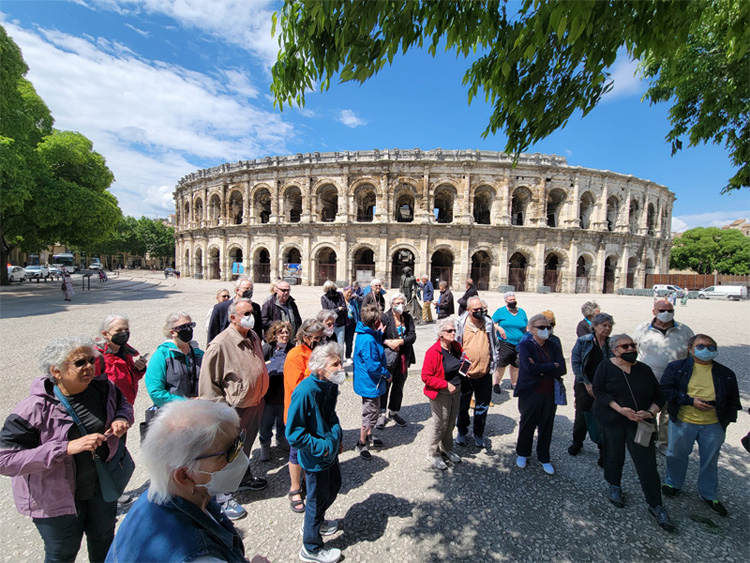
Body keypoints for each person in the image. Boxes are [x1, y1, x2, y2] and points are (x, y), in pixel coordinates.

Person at [0, 337, 134, 562]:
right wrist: (66, 448)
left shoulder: (104, 387)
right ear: (57, 371)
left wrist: (122, 417)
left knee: (105, 543)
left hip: (101, 491)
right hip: (55, 500)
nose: (89, 367)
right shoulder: (33, 408)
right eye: (80, 363)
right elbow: (5, 460)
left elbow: (124, 406)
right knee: (61, 554)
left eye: (91, 360)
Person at [105, 400, 248, 562]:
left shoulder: (152, 497)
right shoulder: (200, 558)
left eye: (240, 440)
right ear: (184, 476)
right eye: (231, 450)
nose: (241, 454)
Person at [592, 334, 673, 532]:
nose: (630, 349)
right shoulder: (605, 367)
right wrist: (620, 409)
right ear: (615, 350)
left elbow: (659, 396)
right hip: (613, 421)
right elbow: (599, 391)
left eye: (632, 345)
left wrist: (649, 412)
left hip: (640, 423)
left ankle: (656, 505)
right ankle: (614, 486)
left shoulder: (643, 370)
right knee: (613, 454)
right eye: (624, 346)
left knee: (647, 463)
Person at [200, 298, 270, 520]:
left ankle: (243, 478)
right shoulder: (220, 345)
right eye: (247, 313)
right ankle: (222, 497)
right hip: (235, 410)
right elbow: (209, 388)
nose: (252, 316)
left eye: (252, 312)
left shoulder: (253, 335)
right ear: (233, 318)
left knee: (245, 448)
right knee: (228, 453)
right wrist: (223, 417)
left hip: (256, 404)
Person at [661, 334, 741, 517]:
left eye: (711, 347)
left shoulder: (726, 374)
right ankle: (673, 483)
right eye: (701, 346)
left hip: (713, 425)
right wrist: (689, 401)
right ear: (691, 349)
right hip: (683, 421)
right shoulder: (677, 368)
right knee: (676, 455)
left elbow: (733, 401)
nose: (706, 350)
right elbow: (665, 389)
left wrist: (725, 422)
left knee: (710, 460)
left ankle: (709, 494)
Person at [286, 343, 346, 563]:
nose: (341, 367)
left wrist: (337, 438)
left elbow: (331, 415)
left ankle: (315, 521)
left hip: (330, 452)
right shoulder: (305, 391)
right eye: (335, 364)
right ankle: (311, 548)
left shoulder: (329, 384)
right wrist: (323, 447)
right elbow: (293, 434)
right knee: (316, 499)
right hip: (316, 458)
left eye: (340, 362)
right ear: (320, 367)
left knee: (333, 487)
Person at [632, 298, 694, 453]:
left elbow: (691, 356)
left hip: (674, 382)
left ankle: (664, 443)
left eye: (670, 310)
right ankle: (647, 440)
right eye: (662, 310)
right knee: (647, 412)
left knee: (668, 414)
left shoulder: (685, 330)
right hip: (648, 381)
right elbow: (634, 351)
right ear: (654, 312)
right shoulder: (642, 329)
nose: (666, 313)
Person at [514, 314, 566, 474]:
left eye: (548, 327)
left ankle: (544, 457)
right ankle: (523, 453)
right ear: (531, 329)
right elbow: (529, 369)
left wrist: (541, 368)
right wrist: (551, 366)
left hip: (549, 392)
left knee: (546, 425)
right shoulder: (526, 345)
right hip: (531, 392)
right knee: (527, 423)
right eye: (541, 327)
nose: (546, 330)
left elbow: (562, 368)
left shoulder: (554, 345)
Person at [284, 320, 326, 513]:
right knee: (296, 449)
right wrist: (316, 372)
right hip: (299, 410)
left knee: (311, 447)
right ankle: (294, 487)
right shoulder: (295, 355)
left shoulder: (316, 352)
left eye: (321, 338)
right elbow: (296, 388)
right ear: (304, 336)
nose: (319, 342)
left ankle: (308, 478)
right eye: (316, 339)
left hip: (316, 408)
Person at [455, 296, 500, 448]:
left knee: (482, 405)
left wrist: (493, 361)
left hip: (485, 371)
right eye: (476, 310)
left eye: (481, 309)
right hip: (466, 372)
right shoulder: (460, 324)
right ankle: (462, 430)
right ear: (468, 310)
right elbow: (456, 347)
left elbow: (495, 343)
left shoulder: (488, 323)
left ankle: (478, 432)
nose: (479, 312)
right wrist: (459, 366)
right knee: (463, 404)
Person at [569, 313, 614, 460]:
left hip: (604, 387)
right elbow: (576, 362)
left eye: (610, 326)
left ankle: (603, 450)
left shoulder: (612, 343)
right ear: (594, 326)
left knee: (603, 418)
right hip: (584, 384)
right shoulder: (584, 341)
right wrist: (587, 383)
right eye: (604, 325)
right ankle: (577, 442)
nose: (607, 328)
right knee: (582, 416)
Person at [421, 317, 463, 470]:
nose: (453, 333)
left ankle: (446, 448)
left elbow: (460, 362)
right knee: (440, 424)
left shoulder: (456, 347)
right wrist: (445, 384)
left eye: (454, 330)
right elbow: (425, 377)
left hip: (456, 390)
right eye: (449, 331)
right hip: (441, 392)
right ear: (441, 334)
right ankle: (433, 452)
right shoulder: (433, 352)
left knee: (451, 422)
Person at [353, 304, 391, 460]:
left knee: (369, 408)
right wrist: (386, 374)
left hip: (366, 381)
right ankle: (361, 442)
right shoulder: (368, 339)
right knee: (371, 411)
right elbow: (373, 365)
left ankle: (368, 435)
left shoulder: (367, 333)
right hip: (370, 382)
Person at [145, 312, 204, 407]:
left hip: (200, 411)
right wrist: (185, 403)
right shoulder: (161, 355)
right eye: (183, 327)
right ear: (172, 332)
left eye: (190, 325)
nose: (188, 329)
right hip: (172, 413)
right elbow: (156, 392)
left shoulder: (199, 354)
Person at [376, 293, 417, 429]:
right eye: (396, 303)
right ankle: (381, 414)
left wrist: (401, 341)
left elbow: (412, 336)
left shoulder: (407, 317)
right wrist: (388, 342)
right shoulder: (385, 317)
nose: (399, 306)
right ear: (391, 304)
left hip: (404, 357)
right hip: (389, 358)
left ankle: (394, 411)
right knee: (385, 385)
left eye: (402, 303)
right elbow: (377, 337)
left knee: (398, 386)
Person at [259, 321, 294, 462]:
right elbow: (258, 366)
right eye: (281, 332)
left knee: (282, 420)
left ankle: (281, 439)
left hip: (283, 393)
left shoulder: (291, 349)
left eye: (287, 332)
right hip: (268, 394)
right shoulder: (267, 348)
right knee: (266, 422)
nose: (284, 335)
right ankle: (265, 445)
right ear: (274, 334)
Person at [95, 314, 148, 406]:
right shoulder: (97, 356)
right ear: (105, 334)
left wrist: (140, 369)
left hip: (126, 406)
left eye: (126, 330)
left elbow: (128, 378)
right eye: (118, 330)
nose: (124, 333)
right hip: (108, 409)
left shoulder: (125, 351)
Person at [208, 275, 262, 344]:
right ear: (237, 290)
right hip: (226, 345)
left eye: (251, 289)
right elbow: (212, 333)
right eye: (246, 288)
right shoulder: (220, 308)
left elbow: (258, 331)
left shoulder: (255, 307)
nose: (249, 291)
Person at [491, 291, 528, 393]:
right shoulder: (500, 312)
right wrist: (499, 329)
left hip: (519, 343)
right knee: (501, 364)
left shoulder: (521, 312)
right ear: (506, 301)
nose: (513, 301)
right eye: (510, 300)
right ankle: (497, 383)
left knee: (516, 364)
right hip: (505, 342)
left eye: (514, 299)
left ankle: (514, 383)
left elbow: (526, 325)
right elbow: (491, 323)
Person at [320, 281, 347, 346]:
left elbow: (344, 309)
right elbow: (327, 312)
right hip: (329, 325)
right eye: (328, 288)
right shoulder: (324, 298)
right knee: (329, 344)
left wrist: (333, 312)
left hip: (340, 324)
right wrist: (338, 309)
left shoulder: (340, 295)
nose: (331, 290)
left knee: (340, 344)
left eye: (332, 287)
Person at [343, 285, 360, 362]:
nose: (349, 294)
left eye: (351, 292)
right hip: (342, 324)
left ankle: (348, 356)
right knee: (340, 341)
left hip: (351, 324)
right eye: (348, 292)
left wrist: (357, 322)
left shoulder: (353, 302)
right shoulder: (341, 301)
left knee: (349, 341)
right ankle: (340, 356)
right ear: (344, 292)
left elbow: (357, 312)